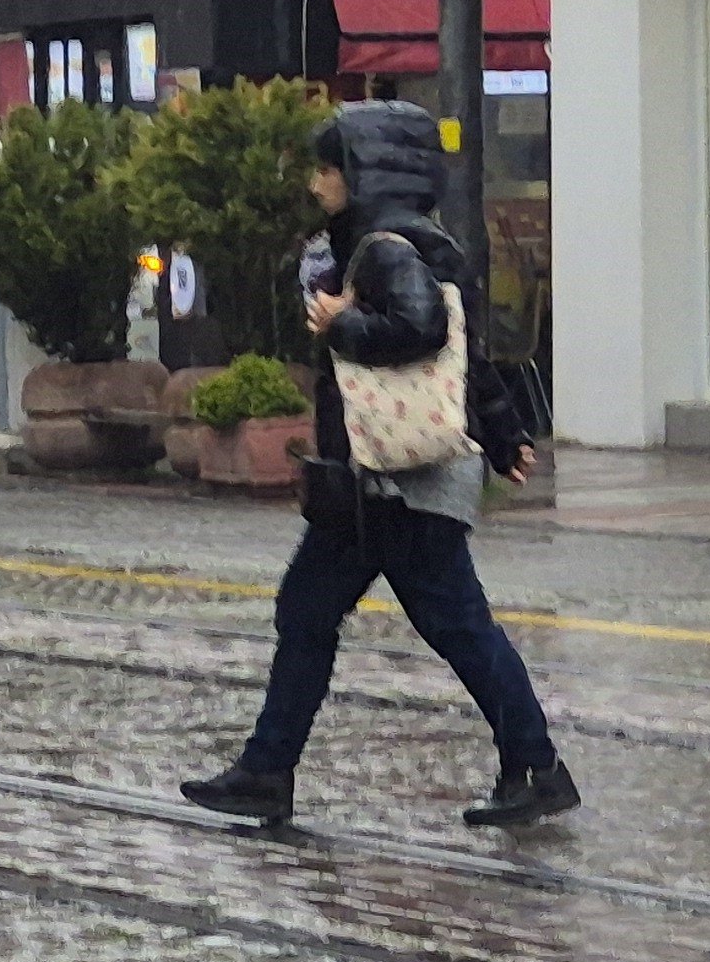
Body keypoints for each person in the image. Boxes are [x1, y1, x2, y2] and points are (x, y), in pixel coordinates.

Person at [183, 99, 576, 829]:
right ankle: (267, 771)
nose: (316, 181)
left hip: (400, 484)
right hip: (371, 482)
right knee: (315, 610)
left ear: (359, 172)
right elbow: (469, 356)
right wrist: (501, 430)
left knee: (447, 624)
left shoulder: (386, 247)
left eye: (327, 167)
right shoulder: (401, 241)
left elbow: (423, 332)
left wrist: (341, 325)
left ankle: (536, 766)